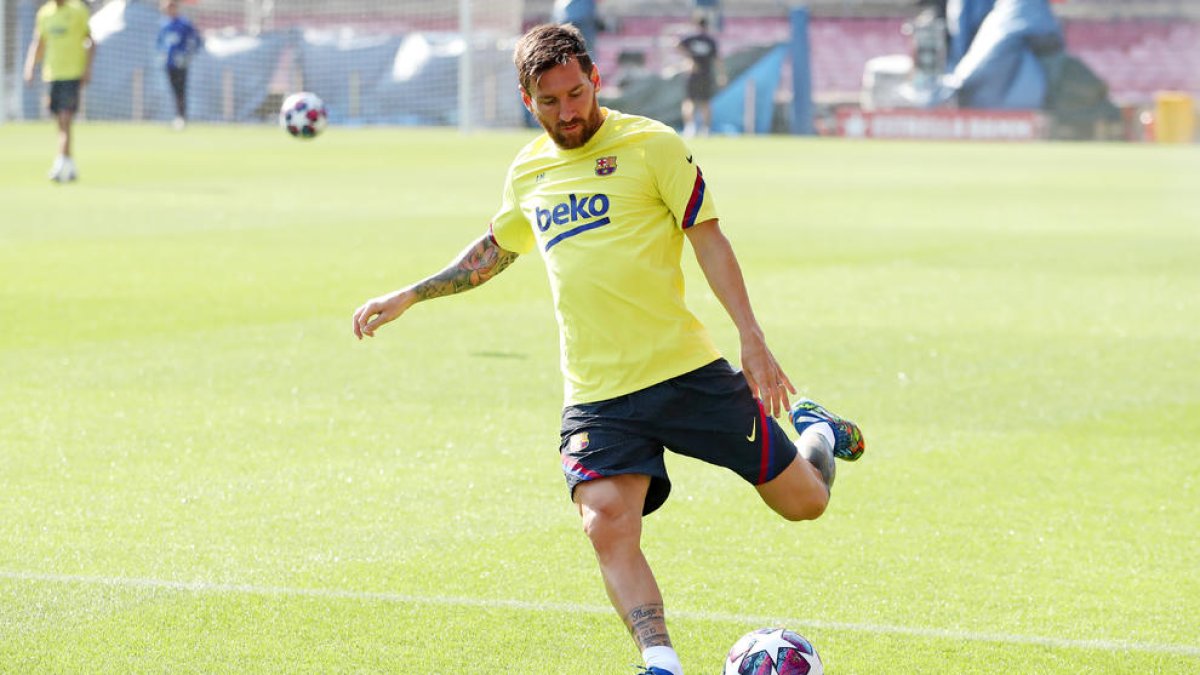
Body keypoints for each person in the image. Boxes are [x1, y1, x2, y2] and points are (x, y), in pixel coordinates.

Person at [351, 24, 864, 675]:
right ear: (526, 98)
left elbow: (708, 238)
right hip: (597, 394)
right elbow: (497, 248)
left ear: (594, 79)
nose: (568, 111)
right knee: (605, 520)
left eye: (576, 93)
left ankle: (815, 431)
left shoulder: (652, 145)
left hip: (686, 373)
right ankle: (659, 659)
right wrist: (411, 295)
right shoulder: (529, 169)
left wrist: (752, 339)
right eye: (550, 101)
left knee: (804, 503)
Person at [23, 0, 94, 183]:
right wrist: (30, 67)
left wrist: (87, 69)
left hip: (71, 74)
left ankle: (60, 162)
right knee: (60, 122)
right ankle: (69, 163)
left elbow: (90, 42)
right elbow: (39, 42)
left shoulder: (78, 10)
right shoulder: (45, 13)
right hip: (51, 74)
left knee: (65, 117)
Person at [157, 0, 203, 130]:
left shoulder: (184, 24)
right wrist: (162, 54)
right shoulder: (164, 24)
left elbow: (196, 41)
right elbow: (160, 43)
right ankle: (177, 116)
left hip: (181, 64)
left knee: (180, 90)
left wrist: (187, 55)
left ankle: (182, 117)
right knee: (173, 91)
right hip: (169, 64)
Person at [677, 15, 722, 137]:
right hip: (703, 74)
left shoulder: (692, 38)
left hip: (696, 74)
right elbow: (717, 59)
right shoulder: (709, 40)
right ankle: (703, 128)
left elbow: (678, 46)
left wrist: (688, 59)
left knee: (692, 101)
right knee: (702, 102)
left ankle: (692, 128)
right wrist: (721, 75)